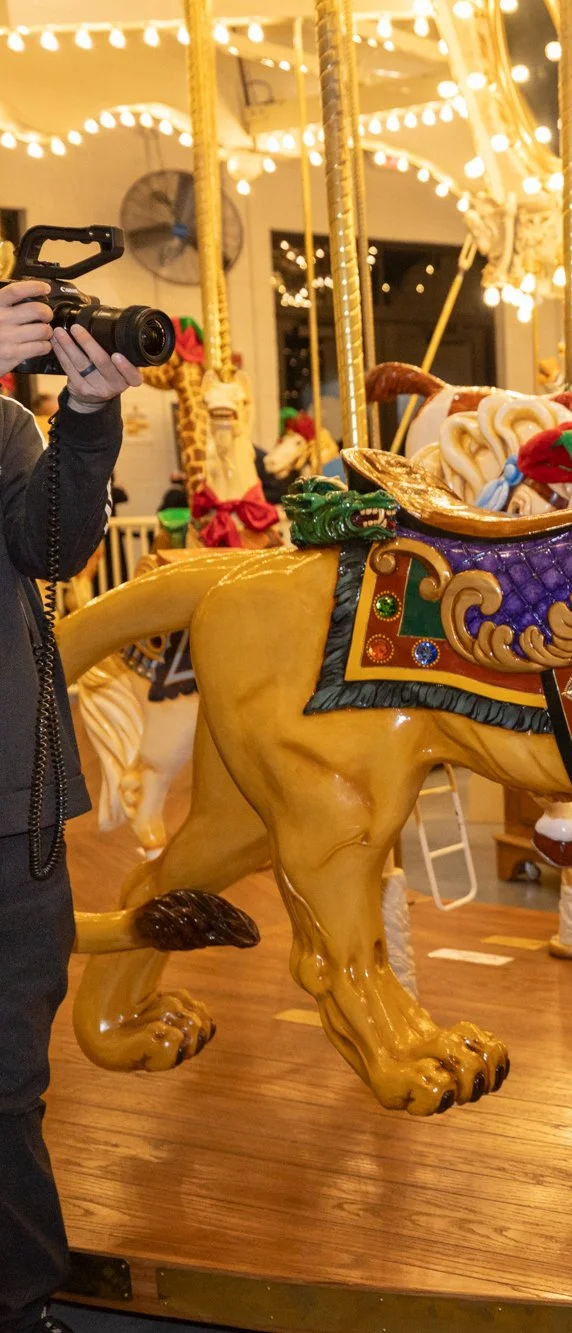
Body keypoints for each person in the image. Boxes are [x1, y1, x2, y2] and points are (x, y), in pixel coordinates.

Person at [0, 280, 146, 1333]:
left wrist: (87, 420)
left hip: (13, 798)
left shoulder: (6, 422)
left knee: (10, 1079)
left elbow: (49, 549)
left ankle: (21, 1297)